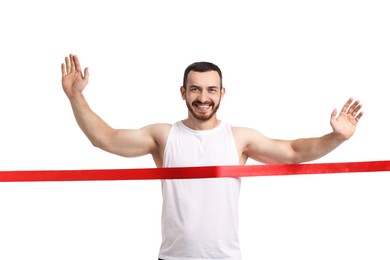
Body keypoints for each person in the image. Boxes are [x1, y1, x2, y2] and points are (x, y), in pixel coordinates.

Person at [61, 54, 363, 260]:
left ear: (221, 93)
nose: (203, 97)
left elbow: (294, 151)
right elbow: (104, 138)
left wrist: (336, 137)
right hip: (173, 257)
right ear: (183, 92)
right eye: (195, 89)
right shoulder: (163, 136)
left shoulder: (239, 139)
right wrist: (76, 97)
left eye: (210, 90)